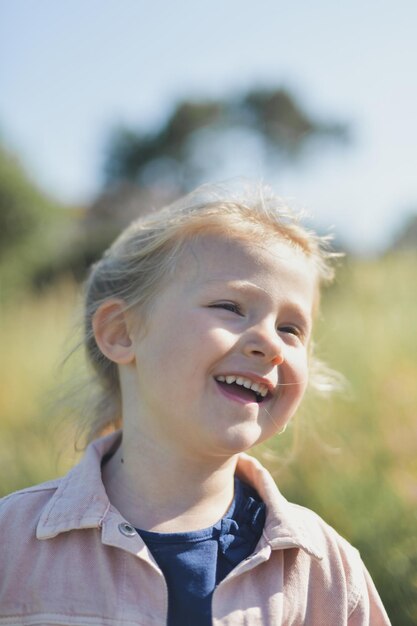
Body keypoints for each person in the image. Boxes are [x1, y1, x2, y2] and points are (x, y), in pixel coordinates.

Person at [0, 184, 391, 625]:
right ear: (121, 332)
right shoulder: (12, 544)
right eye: (230, 306)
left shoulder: (325, 570)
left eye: (291, 329)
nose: (270, 345)